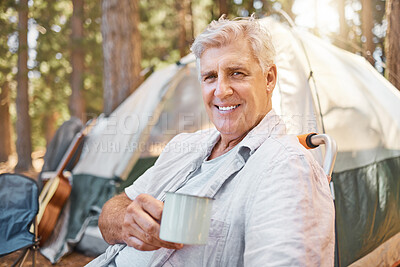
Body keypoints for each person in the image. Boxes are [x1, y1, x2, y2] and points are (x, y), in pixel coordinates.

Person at [87, 16, 335, 267]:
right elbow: (113, 212)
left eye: (236, 73)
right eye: (209, 77)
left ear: (269, 78)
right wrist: (125, 221)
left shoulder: (286, 168)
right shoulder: (184, 146)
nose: (221, 91)